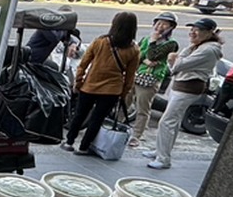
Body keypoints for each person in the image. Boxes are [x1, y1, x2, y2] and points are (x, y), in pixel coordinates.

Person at [144, 17, 223, 170]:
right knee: (173, 121)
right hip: (180, 86)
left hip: (188, 88)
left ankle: (163, 159)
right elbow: (175, 66)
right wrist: (175, 59)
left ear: (209, 33)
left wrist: (174, 59)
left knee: (167, 121)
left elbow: (179, 65)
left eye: (197, 30)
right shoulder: (198, 45)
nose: (193, 32)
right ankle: (160, 151)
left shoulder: (208, 49)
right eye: (192, 29)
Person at [62, 11, 139, 155]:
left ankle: (69, 142)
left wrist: (78, 82)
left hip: (90, 86)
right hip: (112, 90)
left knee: (79, 115)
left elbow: (83, 64)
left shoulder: (100, 42)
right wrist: (123, 93)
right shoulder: (133, 49)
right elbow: (130, 76)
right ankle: (83, 147)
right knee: (97, 119)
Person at [127, 12, 179, 147]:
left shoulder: (171, 44)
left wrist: (153, 41)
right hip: (136, 74)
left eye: (164, 24)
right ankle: (119, 127)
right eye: (158, 23)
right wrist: (144, 60)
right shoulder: (146, 38)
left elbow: (153, 55)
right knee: (124, 102)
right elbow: (138, 54)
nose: (160, 26)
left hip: (151, 78)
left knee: (142, 108)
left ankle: (137, 135)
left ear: (171, 27)